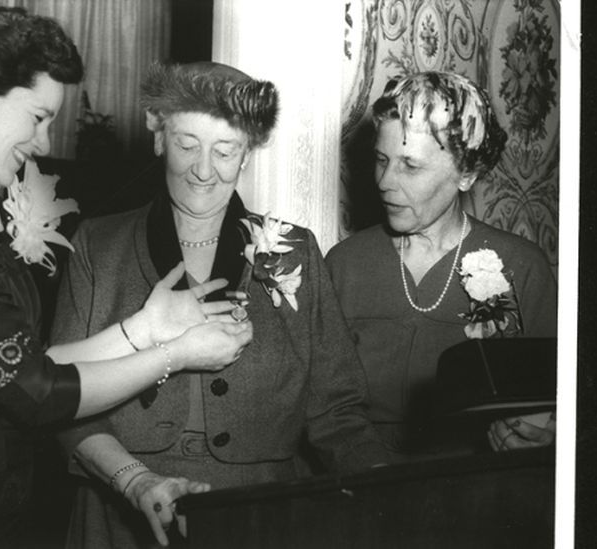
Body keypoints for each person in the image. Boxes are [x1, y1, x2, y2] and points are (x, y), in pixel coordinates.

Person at [0, 9, 252, 547]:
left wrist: (145, 329)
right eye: (36, 117)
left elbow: (22, 364)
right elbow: (38, 393)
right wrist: (177, 354)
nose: (42, 141)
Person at [49, 61, 388, 548]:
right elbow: (62, 400)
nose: (203, 170)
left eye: (225, 150)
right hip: (120, 512)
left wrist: (385, 486)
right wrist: (135, 479)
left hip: (258, 520)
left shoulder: (296, 252)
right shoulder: (97, 246)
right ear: (159, 140)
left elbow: (336, 412)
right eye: (187, 145)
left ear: (247, 154)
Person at [326, 71, 557, 462]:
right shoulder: (345, 265)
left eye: (410, 167)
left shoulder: (522, 267)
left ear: (466, 173)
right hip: (362, 486)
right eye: (382, 160)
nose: (384, 182)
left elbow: (560, 404)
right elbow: (324, 410)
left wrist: (543, 434)